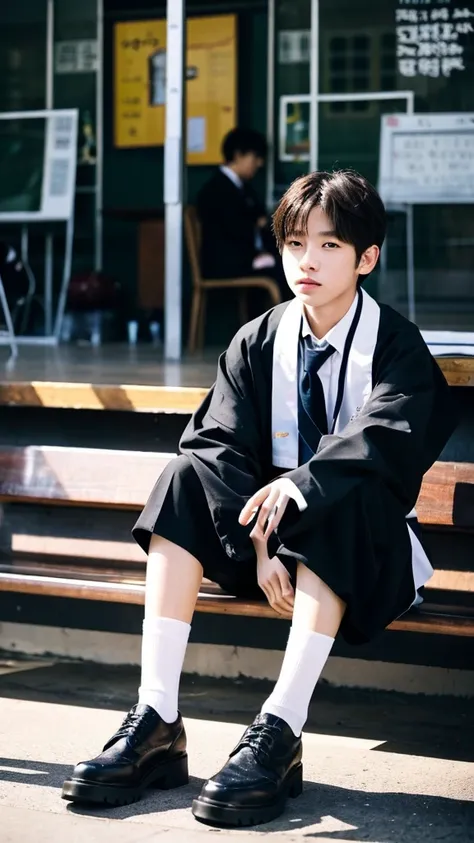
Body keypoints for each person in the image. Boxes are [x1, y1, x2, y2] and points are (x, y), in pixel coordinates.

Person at [61, 170, 457, 826]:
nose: (308, 260)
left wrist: (299, 492)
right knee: (182, 478)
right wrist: (263, 542)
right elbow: (215, 447)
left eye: (330, 246)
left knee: (342, 493)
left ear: (367, 258)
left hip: (365, 558)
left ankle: (280, 728)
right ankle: (156, 718)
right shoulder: (258, 339)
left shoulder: (395, 346)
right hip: (264, 554)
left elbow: (386, 449)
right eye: (295, 242)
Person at [196, 127, 285, 293]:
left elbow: (258, 219)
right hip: (228, 262)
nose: (259, 163)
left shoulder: (243, 188)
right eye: (256, 157)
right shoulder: (216, 189)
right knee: (283, 271)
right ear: (238, 155)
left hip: (245, 257)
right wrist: (255, 224)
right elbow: (235, 228)